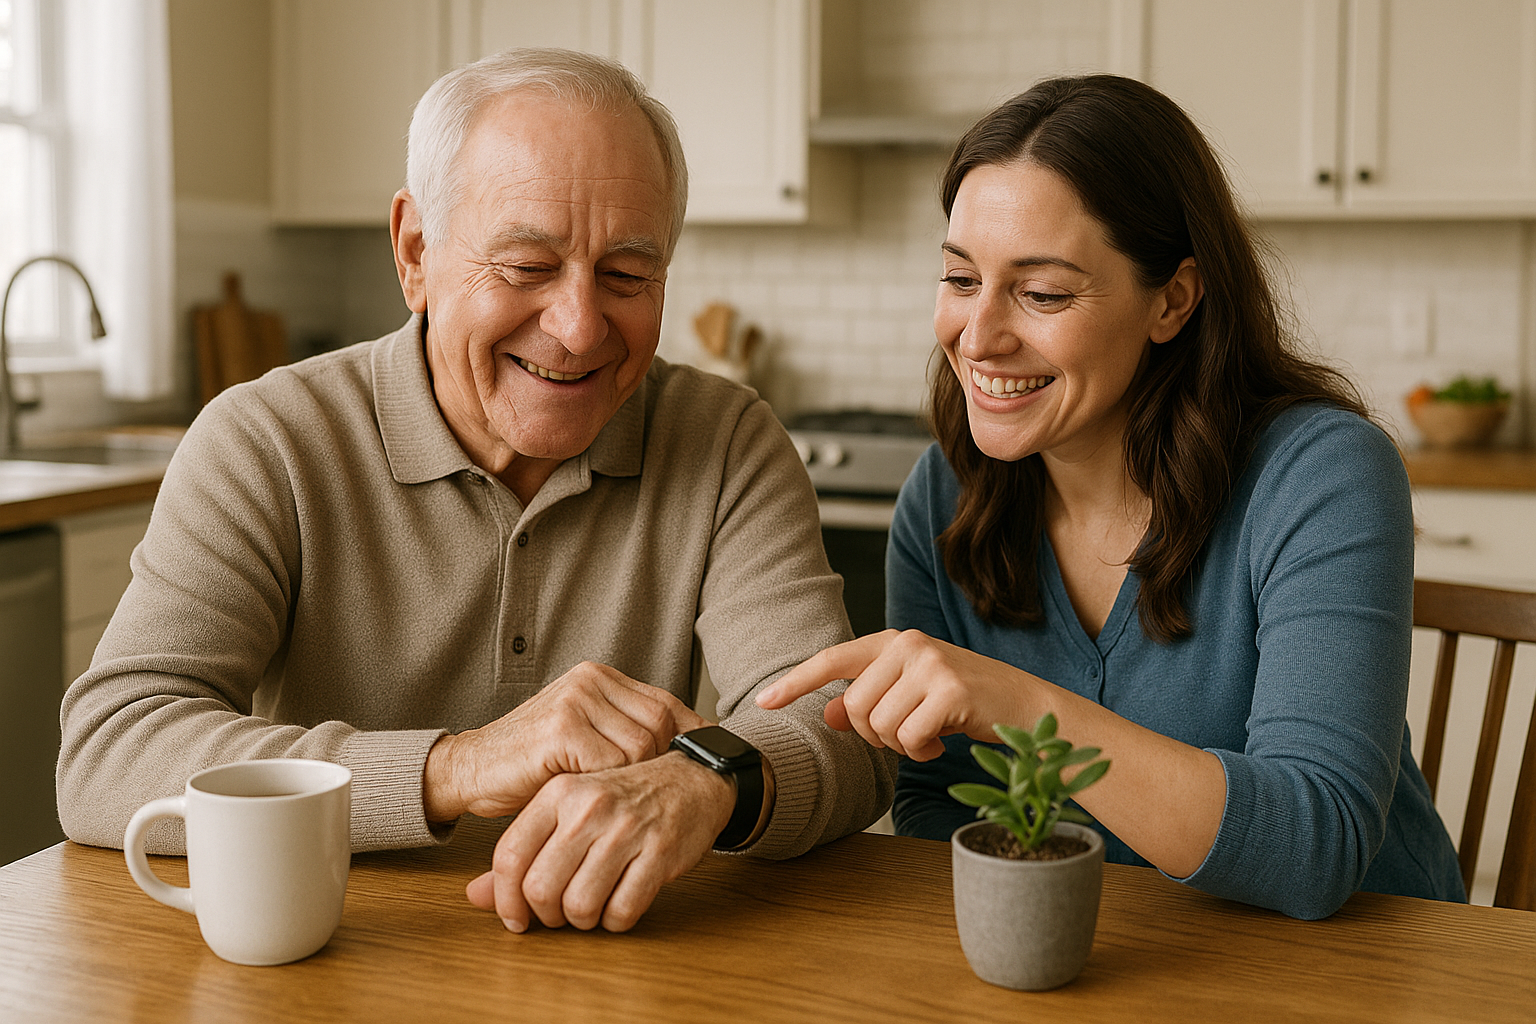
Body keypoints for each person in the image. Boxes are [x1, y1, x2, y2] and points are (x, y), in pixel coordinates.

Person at [56, 48, 895, 934]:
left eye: (627, 275)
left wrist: (706, 775)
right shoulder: (265, 439)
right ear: (416, 252)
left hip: (625, 971)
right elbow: (110, 751)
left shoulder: (726, 439)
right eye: (527, 268)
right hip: (337, 962)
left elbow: (837, 731)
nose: (577, 329)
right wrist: (457, 765)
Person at [758, 74, 1465, 920]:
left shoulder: (1322, 474)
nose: (978, 335)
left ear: (1172, 299)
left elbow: (1317, 844)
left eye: (1043, 292)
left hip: (1369, 973)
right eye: (958, 278)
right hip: (1111, 964)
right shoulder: (944, 496)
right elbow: (937, 806)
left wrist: (1019, 706)